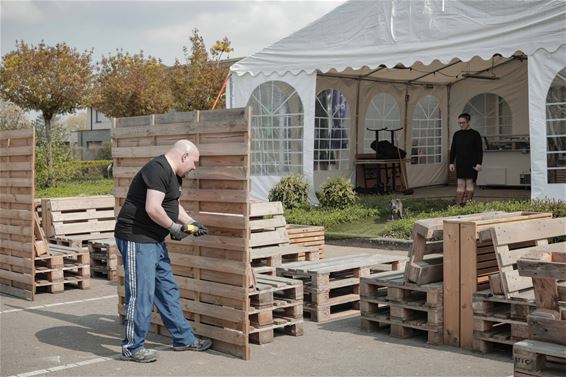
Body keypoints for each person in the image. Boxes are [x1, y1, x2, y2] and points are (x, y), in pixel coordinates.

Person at [114, 139, 212, 363]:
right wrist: (173, 228)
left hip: (154, 239)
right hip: (136, 238)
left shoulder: (175, 175)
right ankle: (132, 348)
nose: (195, 167)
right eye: (194, 162)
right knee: (141, 294)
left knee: (167, 290)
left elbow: (172, 204)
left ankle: (183, 339)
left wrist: (191, 222)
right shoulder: (157, 169)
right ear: (184, 156)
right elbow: (153, 208)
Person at [449, 113, 483, 206]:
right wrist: (451, 162)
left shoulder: (475, 134)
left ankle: (468, 204)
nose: (461, 125)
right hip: (460, 163)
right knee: (460, 184)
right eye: (459, 123)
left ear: (468, 122)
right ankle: (458, 204)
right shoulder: (457, 134)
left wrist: (479, 163)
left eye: (463, 123)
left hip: (472, 163)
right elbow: (453, 149)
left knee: (469, 183)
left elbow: (479, 150)